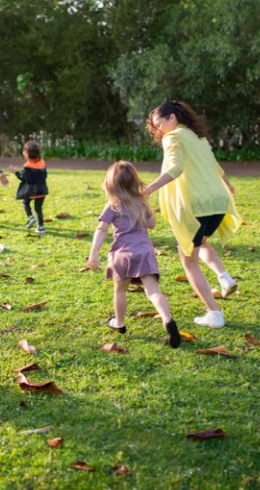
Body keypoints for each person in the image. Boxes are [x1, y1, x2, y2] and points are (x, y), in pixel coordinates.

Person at [144, 100, 242, 330]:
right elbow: (215, 165)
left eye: (160, 124)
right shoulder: (198, 137)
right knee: (201, 242)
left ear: (172, 119)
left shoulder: (173, 136)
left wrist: (148, 189)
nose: (159, 130)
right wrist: (228, 185)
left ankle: (214, 314)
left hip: (196, 206)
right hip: (217, 202)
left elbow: (175, 169)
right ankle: (224, 277)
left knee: (189, 261)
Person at [86, 161, 181, 348]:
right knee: (153, 291)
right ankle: (167, 318)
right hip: (144, 252)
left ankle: (119, 323)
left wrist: (94, 254)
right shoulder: (141, 203)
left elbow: (101, 229)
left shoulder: (112, 205)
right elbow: (152, 224)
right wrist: (147, 206)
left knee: (120, 289)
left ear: (110, 185)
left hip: (121, 253)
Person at [8, 141, 48, 234]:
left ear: (26, 153)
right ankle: (41, 227)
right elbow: (44, 175)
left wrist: (16, 172)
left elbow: (24, 178)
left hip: (32, 191)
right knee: (38, 209)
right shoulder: (42, 163)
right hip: (42, 190)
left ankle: (31, 218)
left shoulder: (27, 166)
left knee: (25, 203)